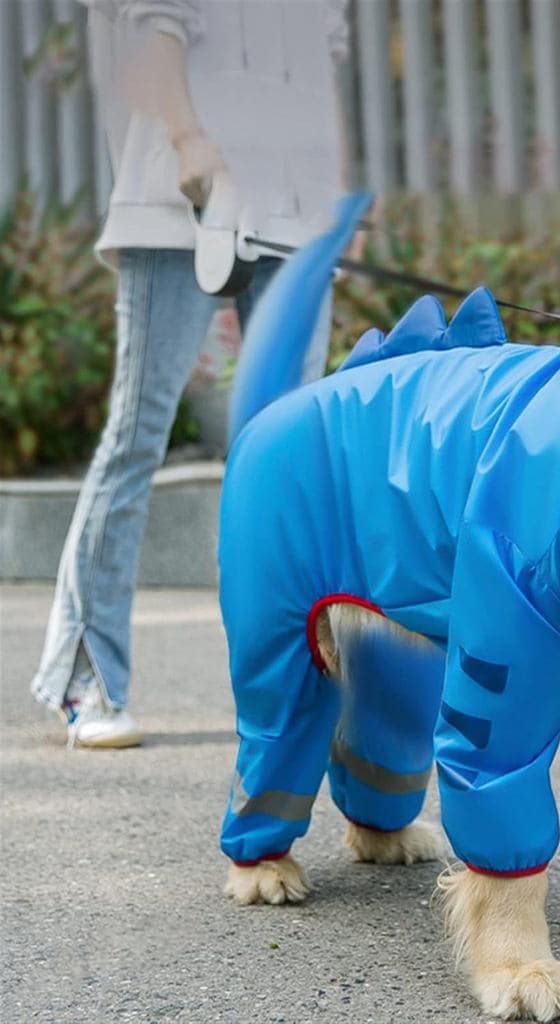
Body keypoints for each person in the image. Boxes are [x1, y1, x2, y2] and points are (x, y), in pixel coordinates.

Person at [30, 0, 353, 748]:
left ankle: (305, 683)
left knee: (297, 452)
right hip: (182, 196)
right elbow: (151, 33)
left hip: (296, 214)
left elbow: (318, 68)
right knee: (139, 431)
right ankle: (86, 675)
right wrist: (189, 139)